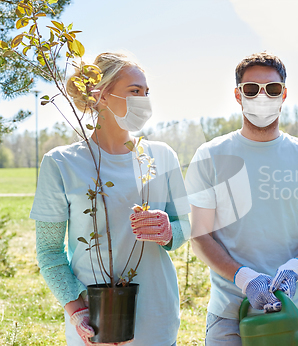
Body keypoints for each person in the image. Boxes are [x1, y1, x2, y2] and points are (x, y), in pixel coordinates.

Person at [30, 52, 191, 346]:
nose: (144, 100)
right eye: (134, 91)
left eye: (146, 92)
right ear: (101, 95)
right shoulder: (61, 163)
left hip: (156, 316)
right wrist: (76, 309)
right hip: (93, 320)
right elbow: (49, 251)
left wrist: (170, 231)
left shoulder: (163, 156)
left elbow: (186, 226)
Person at [185, 52, 298, 346]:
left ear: (284, 94)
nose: (262, 96)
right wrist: (243, 277)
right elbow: (200, 236)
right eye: (252, 89)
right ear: (238, 96)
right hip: (229, 314)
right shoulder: (211, 155)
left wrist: (295, 268)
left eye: (272, 89)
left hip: (293, 312)